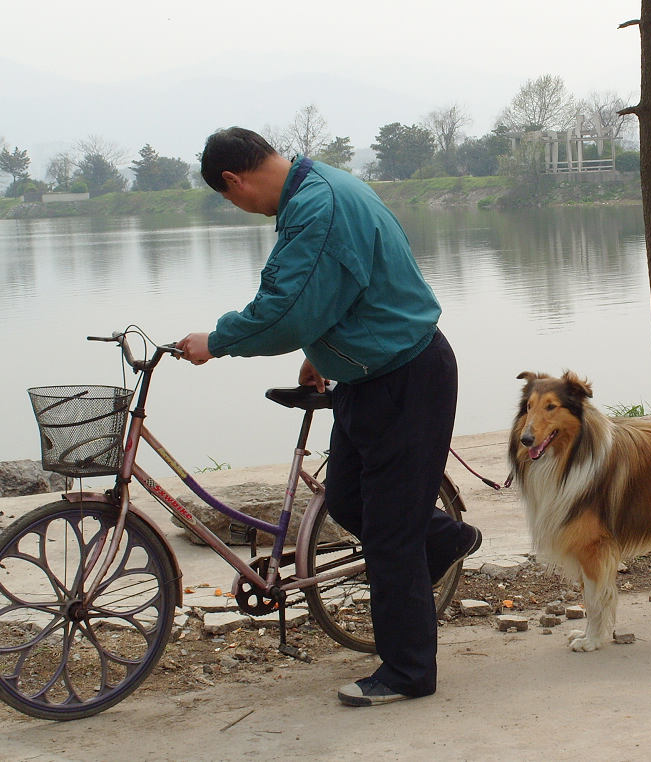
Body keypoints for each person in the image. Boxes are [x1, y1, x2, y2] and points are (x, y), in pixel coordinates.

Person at [177, 127, 482, 707]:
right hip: (368, 377)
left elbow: (286, 309)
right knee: (348, 499)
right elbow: (339, 292)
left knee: (391, 535)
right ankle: (445, 537)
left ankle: (407, 672)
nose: (236, 206)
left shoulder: (318, 207)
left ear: (233, 181)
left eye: (228, 197)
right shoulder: (318, 187)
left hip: (404, 377)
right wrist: (318, 356)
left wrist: (216, 341)